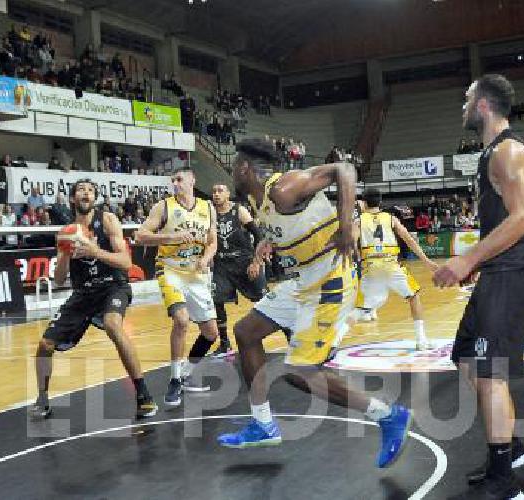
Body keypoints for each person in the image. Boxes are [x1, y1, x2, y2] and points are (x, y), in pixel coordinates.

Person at [216, 137, 412, 471]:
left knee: (299, 372)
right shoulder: (262, 202)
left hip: (330, 283)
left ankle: (389, 415)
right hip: (303, 281)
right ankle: (262, 423)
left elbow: (345, 169)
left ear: (246, 168)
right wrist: (267, 242)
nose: (232, 171)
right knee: (246, 331)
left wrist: (348, 224)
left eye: (235, 166)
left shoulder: (284, 187)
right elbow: (292, 226)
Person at [432, 74, 524, 500]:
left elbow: (522, 219)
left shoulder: (509, 152)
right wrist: (479, 264)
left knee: (489, 372)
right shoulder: (493, 154)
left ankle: (505, 480)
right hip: (499, 271)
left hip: (515, 272)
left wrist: (467, 258)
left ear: (482, 105)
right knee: (466, 360)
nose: (462, 106)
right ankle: (510, 448)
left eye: (466, 99)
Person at [28, 179, 157, 420]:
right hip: (83, 294)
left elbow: (126, 263)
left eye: (90, 190)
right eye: (80, 190)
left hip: (113, 287)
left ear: (94, 198)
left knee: (112, 324)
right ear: (72, 199)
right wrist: (66, 252)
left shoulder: (107, 220)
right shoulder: (66, 232)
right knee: (45, 345)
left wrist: (94, 251)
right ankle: (43, 399)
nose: (86, 193)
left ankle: (143, 394)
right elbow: (58, 279)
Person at [134, 167, 221, 408]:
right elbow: (140, 236)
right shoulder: (163, 206)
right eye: (173, 180)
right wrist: (168, 238)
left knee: (211, 334)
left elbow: (212, 241)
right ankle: (174, 379)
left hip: (196, 273)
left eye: (180, 179)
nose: (175, 183)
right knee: (181, 320)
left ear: (193, 180)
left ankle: (186, 374)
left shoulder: (207, 207)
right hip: (170, 269)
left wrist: (205, 258)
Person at [350, 189, 439, 351]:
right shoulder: (391, 218)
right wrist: (426, 261)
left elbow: (350, 244)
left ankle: (334, 338)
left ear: (364, 202)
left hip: (370, 267)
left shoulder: (358, 221)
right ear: (380, 202)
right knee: (413, 296)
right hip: (391, 265)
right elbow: (409, 240)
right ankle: (421, 340)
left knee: (360, 308)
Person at [208, 183, 271, 355]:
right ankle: (224, 343)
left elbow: (259, 236)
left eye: (220, 190)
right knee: (216, 301)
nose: (216, 194)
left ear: (228, 194)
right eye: (214, 191)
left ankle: (289, 333)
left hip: (245, 261)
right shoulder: (209, 213)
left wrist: (256, 262)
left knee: (266, 300)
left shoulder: (239, 211)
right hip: (222, 265)